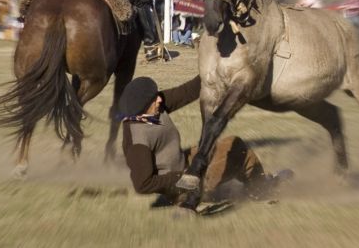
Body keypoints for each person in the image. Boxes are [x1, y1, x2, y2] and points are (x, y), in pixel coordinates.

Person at [120, 77, 293, 211]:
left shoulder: (156, 107)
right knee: (236, 147)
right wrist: (180, 178)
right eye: (153, 99)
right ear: (142, 107)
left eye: (157, 96)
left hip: (186, 163)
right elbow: (142, 184)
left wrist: (213, 66)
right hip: (181, 186)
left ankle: (251, 183)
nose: (159, 99)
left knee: (215, 147)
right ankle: (261, 189)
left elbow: (188, 90)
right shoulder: (137, 139)